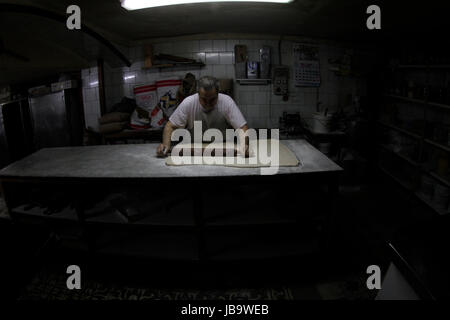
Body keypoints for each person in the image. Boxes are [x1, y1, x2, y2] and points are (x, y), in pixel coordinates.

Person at [156, 76, 250, 157]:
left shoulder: (227, 102)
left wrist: (244, 146)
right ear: (198, 94)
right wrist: (166, 145)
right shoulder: (188, 103)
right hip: (194, 148)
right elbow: (170, 126)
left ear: (218, 94)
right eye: (204, 99)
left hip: (222, 147)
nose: (208, 104)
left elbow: (242, 127)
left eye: (212, 99)